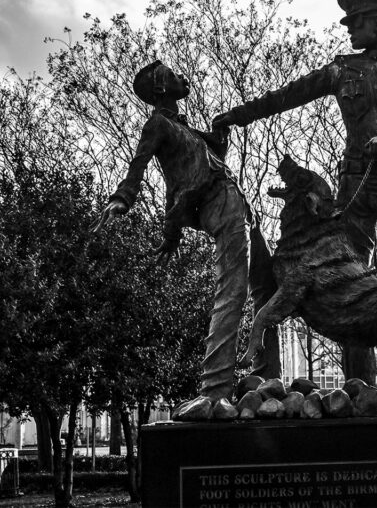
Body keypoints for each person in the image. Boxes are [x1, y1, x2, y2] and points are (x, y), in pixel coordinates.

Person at [213, 0, 377, 385]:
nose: (351, 32)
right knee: (346, 282)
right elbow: (287, 95)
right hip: (355, 182)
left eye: (356, 24)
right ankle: (362, 385)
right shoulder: (342, 69)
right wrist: (237, 116)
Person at [92, 59, 280, 403]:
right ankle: (215, 388)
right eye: (173, 75)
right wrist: (122, 198)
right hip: (218, 204)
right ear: (162, 88)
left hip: (238, 203)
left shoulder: (188, 130)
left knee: (267, 286)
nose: (183, 77)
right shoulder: (159, 125)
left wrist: (219, 136)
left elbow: (205, 158)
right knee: (232, 291)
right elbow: (138, 164)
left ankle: (269, 375)